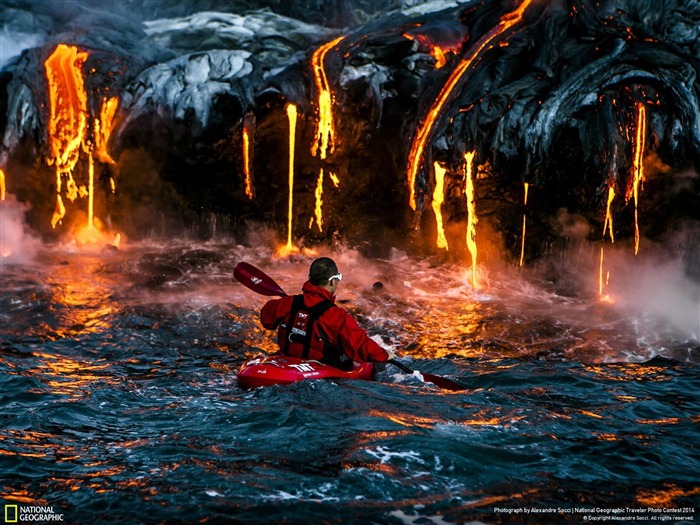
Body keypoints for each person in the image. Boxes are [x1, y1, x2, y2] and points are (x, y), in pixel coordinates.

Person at [260, 257, 396, 368]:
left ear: (310, 278)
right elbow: (359, 345)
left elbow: (266, 319)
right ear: (332, 281)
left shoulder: (287, 303)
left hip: (284, 363)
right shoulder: (337, 316)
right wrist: (384, 354)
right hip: (318, 371)